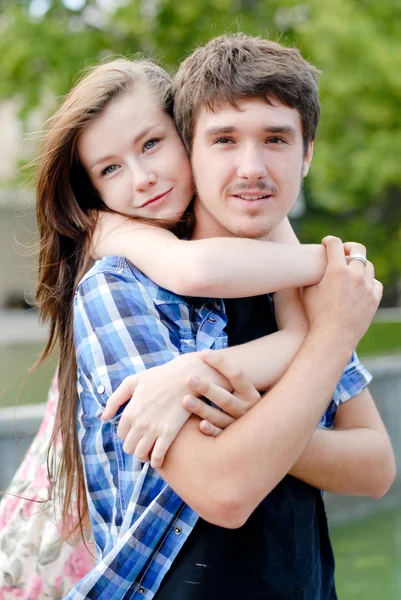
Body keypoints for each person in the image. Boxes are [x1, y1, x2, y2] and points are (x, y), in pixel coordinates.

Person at [63, 35, 393, 599]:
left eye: (276, 139)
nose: (251, 167)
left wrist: (255, 418)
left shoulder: (296, 284)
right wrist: (331, 336)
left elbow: (375, 466)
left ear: (307, 152)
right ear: (191, 148)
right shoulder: (118, 288)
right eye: (223, 140)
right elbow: (224, 490)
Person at [0, 53, 330, 598]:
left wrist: (200, 374)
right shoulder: (112, 243)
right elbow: (194, 270)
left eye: (152, 144)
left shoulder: (256, 226)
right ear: (94, 191)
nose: (143, 178)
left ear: (186, 132)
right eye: (109, 169)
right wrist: (338, 273)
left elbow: (373, 462)